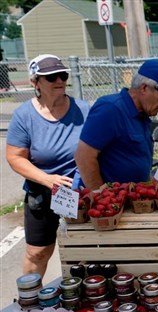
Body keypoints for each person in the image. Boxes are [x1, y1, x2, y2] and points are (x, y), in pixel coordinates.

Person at [5, 54, 90, 277]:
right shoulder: (24, 115)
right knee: (38, 252)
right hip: (42, 190)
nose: (59, 80)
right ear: (35, 82)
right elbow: (15, 157)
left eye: (62, 75)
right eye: (51, 77)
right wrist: (47, 179)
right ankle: (30, 300)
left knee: (86, 249)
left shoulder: (83, 110)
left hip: (79, 191)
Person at [74, 59, 158, 189]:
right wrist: (101, 196)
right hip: (109, 204)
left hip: (130, 201)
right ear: (144, 88)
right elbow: (84, 157)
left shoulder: (142, 115)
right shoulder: (110, 109)